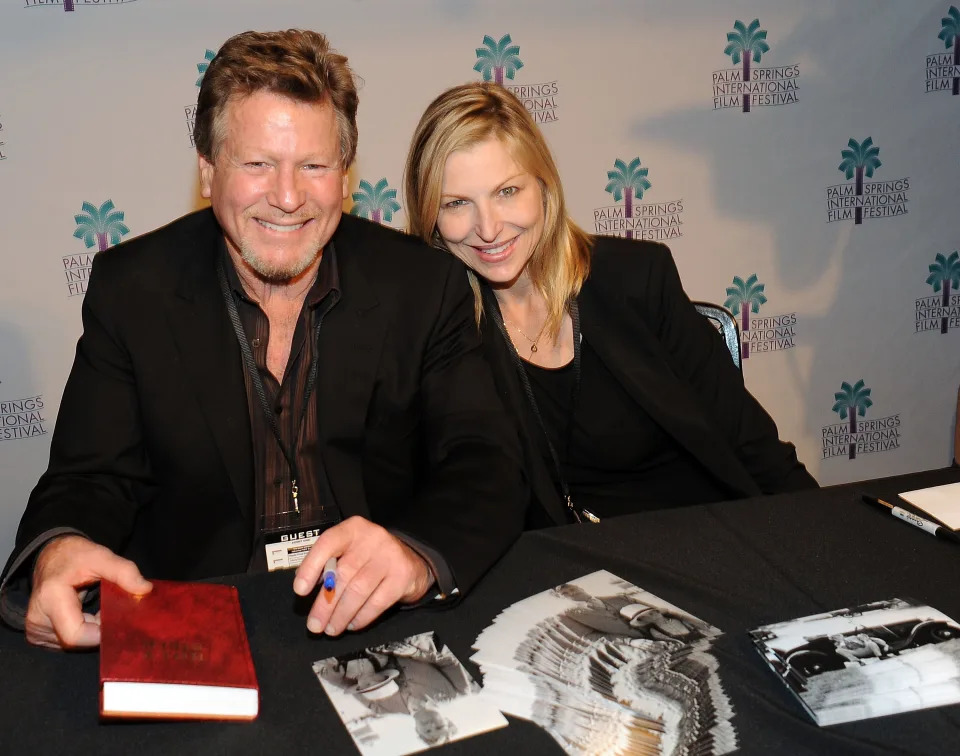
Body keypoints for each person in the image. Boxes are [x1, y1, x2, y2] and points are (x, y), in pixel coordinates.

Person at [0, 31, 526, 649]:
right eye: (257, 164)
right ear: (207, 170)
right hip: (203, 624)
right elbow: (89, 478)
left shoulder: (422, 283)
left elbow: (485, 460)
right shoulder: (133, 291)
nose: (287, 196)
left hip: (376, 619)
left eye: (314, 165)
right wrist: (61, 548)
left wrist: (412, 556)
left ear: (345, 175)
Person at [404, 82, 817, 527]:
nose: (488, 228)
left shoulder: (637, 279)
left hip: (697, 538)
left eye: (507, 192)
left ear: (544, 186)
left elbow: (750, 444)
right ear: (430, 217)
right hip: (558, 575)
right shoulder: (435, 327)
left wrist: (829, 534)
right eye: (457, 203)